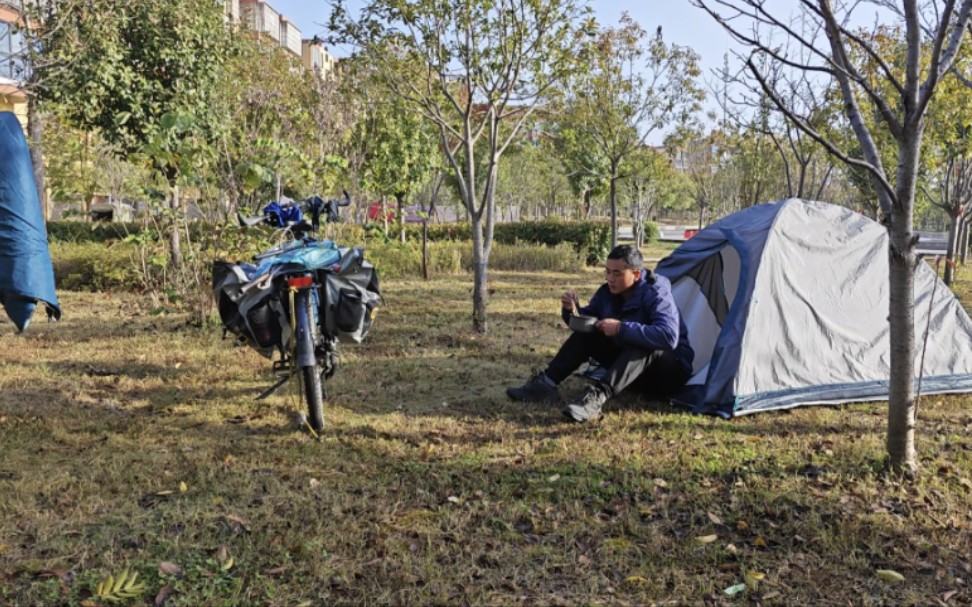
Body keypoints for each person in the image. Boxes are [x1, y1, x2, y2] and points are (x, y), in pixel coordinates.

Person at [507, 244, 694, 422]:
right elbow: (587, 324)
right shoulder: (607, 291)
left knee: (646, 342)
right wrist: (572, 312)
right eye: (607, 271)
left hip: (667, 375)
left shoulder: (657, 293)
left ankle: (596, 398)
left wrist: (621, 328)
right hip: (630, 375)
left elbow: (668, 336)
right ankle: (545, 384)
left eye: (617, 273)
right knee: (591, 331)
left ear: (636, 274)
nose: (610, 278)